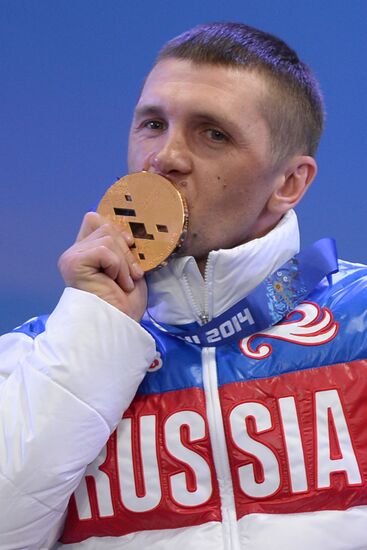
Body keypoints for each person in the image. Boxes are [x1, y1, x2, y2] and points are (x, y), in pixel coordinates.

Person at [1, 21, 367, 550]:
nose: (164, 157)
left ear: (289, 183)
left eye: (213, 133)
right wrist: (92, 333)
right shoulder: (36, 355)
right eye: (152, 124)